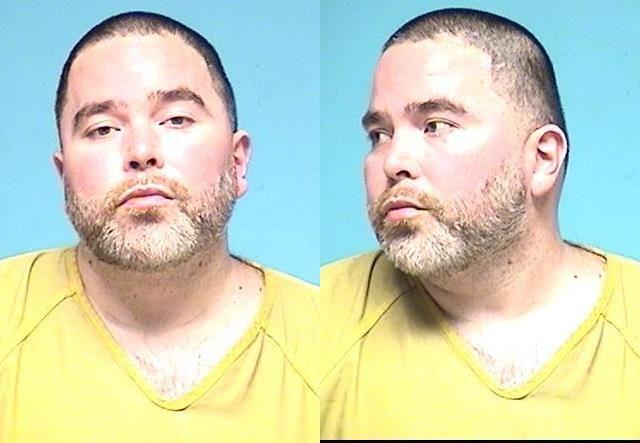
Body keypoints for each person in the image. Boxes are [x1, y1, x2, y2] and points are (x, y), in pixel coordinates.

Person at [320, 7, 640, 439]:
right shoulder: (316, 324)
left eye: (435, 125)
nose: (392, 161)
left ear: (542, 158)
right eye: (380, 134)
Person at [0, 11, 317, 443]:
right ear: (64, 178)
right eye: (103, 128)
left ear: (237, 162)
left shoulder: (324, 341)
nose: (142, 151)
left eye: (176, 119)